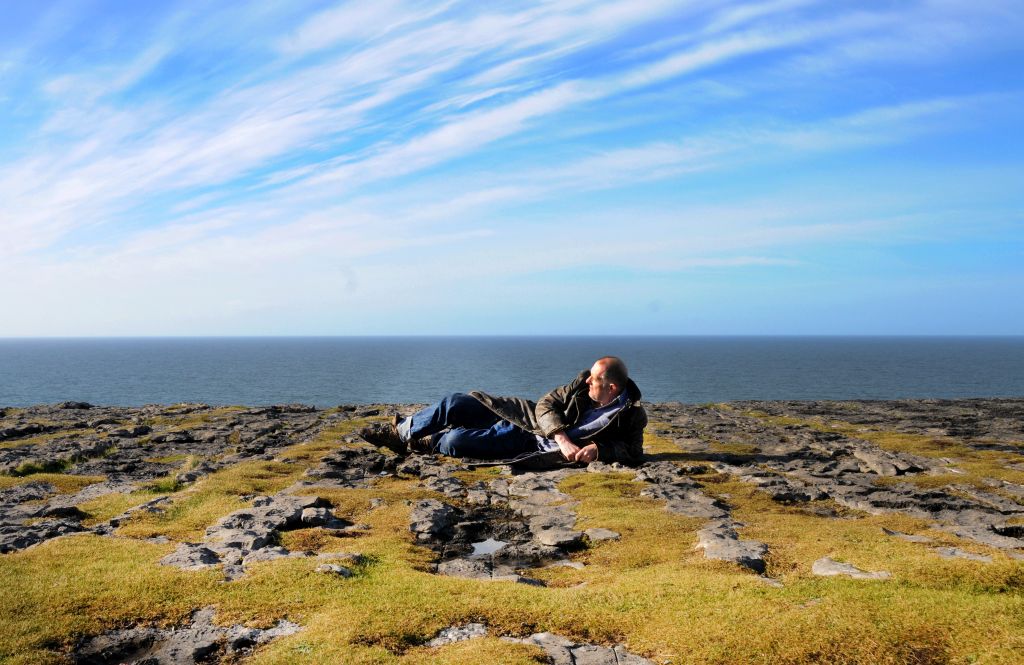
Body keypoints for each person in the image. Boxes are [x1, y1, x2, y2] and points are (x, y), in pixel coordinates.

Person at [359, 356, 647, 466]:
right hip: (523, 416)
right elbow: (546, 403)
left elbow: (634, 451)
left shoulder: (631, 415)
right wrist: (562, 437)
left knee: (455, 441)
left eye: (594, 379)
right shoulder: (580, 385)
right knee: (455, 402)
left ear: (611, 388)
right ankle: (400, 433)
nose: (587, 381)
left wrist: (599, 449)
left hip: (528, 442)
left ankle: (427, 441)